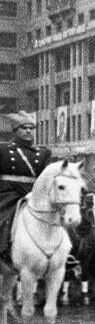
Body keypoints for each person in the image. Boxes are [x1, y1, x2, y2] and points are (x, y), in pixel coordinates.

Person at [0, 111, 53, 269]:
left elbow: (46, 177)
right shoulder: (3, 150)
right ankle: (4, 251)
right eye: (24, 128)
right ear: (15, 130)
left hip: (33, 193)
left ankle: (61, 255)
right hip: (8, 193)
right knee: (4, 218)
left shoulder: (43, 152)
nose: (29, 131)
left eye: (31, 127)